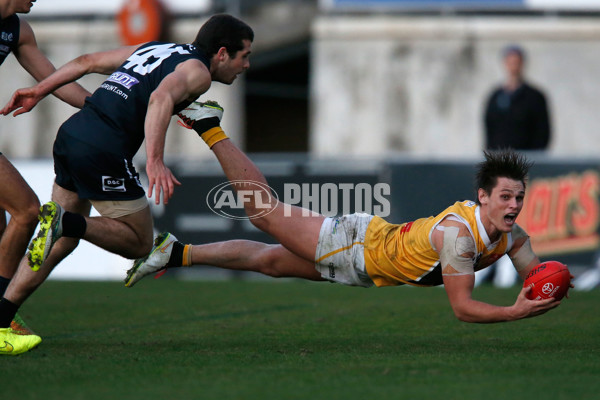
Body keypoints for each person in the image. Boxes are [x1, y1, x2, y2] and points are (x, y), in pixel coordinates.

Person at [126, 102, 571, 326]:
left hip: (365, 264)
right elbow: (462, 307)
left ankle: (175, 253)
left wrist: (552, 284)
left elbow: (536, 272)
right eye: (506, 197)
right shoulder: (460, 237)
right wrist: (514, 312)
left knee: (269, 262)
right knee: (264, 213)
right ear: (483, 197)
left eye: (519, 197)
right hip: (356, 246)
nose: (514, 205)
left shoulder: (512, 236)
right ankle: (209, 124)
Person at [0, 14, 253, 355]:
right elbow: (160, 99)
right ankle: (64, 222)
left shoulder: (160, 48)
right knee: (138, 242)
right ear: (222, 53)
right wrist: (155, 160)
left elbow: (86, 62)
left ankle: (2, 318)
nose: (247, 65)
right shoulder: (199, 72)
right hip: (103, 150)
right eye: (244, 56)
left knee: (60, 242)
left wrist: (38, 91)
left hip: (73, 135)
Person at [0, 0, 90, 351]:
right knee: (26, 211)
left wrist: (104, 107)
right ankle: (1, 321)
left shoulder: (18, 29)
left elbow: (53, 80)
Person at [484, 44, 551, 151]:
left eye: (516, 62)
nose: (513, 66)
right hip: (499, 161)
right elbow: (489, 130)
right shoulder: (495, 96)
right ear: (505, 64)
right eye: (510, 62)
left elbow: (542, 132)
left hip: (527, 160)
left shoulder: (535, 97)